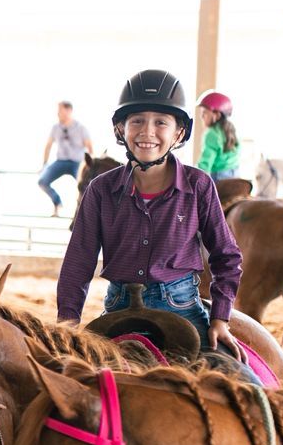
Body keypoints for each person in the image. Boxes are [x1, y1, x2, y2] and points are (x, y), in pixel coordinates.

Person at [56, 69, 242, 353]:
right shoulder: (100, 190)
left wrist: (220, 318)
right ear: (121, 129)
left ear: (179, 132)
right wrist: (67, 324)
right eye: (137, 121)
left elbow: (226, 255)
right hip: (118, 311)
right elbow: (77, 263)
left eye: (161, 122)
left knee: (236, 376)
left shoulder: (199, 186)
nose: (147, 132)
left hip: (183, 309)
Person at [37, 102, 94, 218]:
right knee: (42, 181)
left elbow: (90, 147)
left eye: (60, 110)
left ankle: (82, 213)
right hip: (61, 161)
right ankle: (57, 203)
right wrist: (44, 164)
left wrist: (90, 166)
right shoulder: (55, 128)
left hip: (77, 162)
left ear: (69, 111)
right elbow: (48, 146)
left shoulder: (81, 128)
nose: (58, 113)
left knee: (86, 186)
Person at [195, 90, 241, 182]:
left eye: (204, 112)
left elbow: (205, 164)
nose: (201, 116)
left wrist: (194, 174)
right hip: (235, 175)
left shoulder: (211, 133)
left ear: (217, 115)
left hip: (219, 178)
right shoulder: (232, 129)